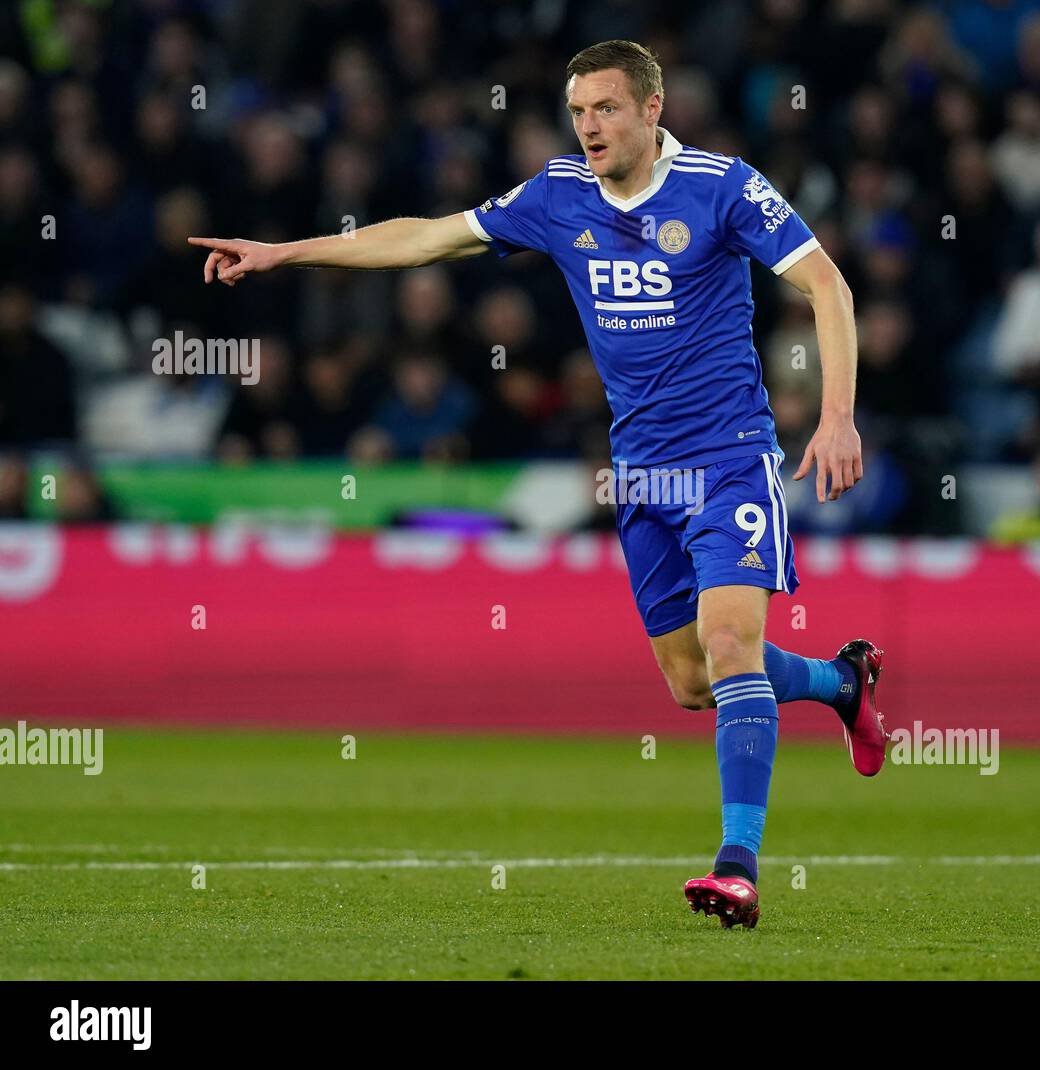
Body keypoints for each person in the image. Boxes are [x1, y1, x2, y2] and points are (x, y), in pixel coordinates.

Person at [188, 40, 885, 931]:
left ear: (652, 108)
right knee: (689, 681)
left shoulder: (723, 186)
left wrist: (836, 416)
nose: (589, 126)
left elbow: (828, 286)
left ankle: (737, 865)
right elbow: (426, 238)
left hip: (729, 460)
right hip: (641, 475)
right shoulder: (557, 195)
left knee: (730, 640)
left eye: (606, 108)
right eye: (579, 111)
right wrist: (286, 253)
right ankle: (840, 685)